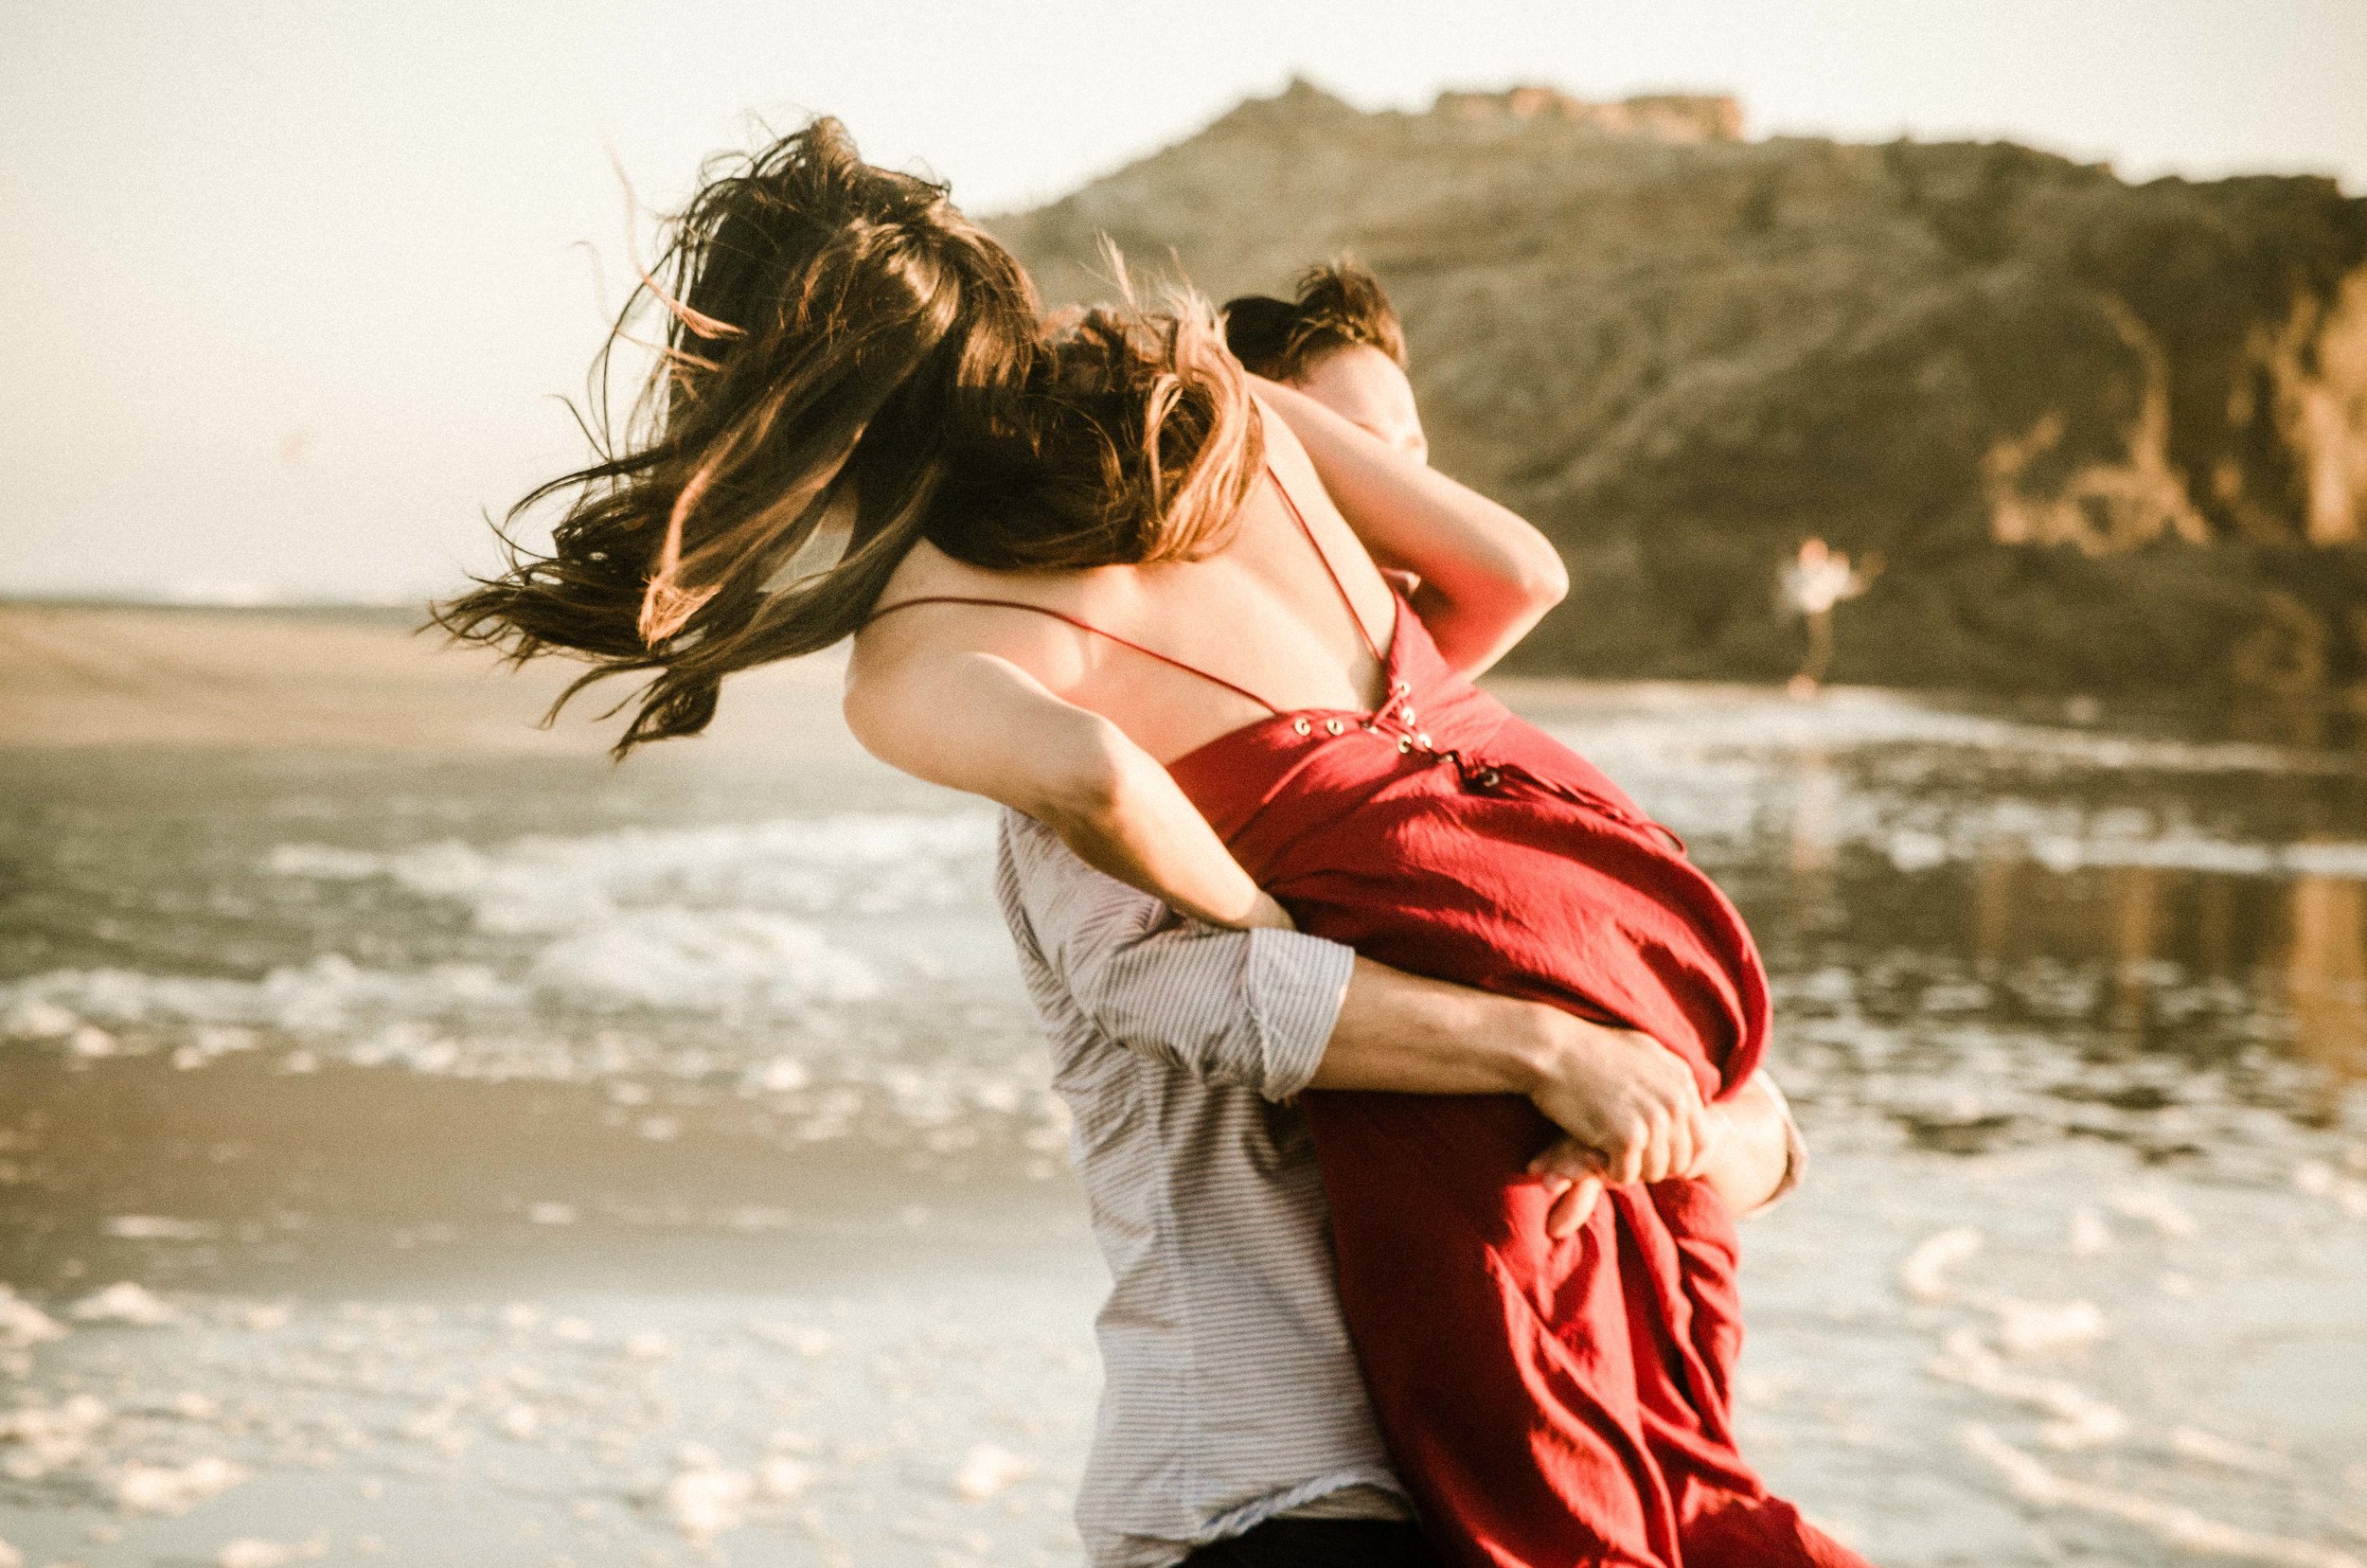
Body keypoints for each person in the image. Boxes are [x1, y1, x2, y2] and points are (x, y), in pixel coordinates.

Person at [441, 120, 1864, 1568]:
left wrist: (1280, 906)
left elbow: (1125, 838)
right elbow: (1519, 573)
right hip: (1588, 888)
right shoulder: (1226, 425)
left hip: (1274, 1483)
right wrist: (1424, 718)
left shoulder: (969, 670)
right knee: (1692, 1491)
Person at [1778, 537, 1880, 697]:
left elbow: (1850, 588)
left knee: (1820, 650)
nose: (1815, 556)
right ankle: (1800, 680)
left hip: (1818, 616)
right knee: (1806, 649)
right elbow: (1802, 586)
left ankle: (1805, 680)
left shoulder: (1828, 571)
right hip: (1801, 615)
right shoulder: (1795, 571)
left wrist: (1863, 572)